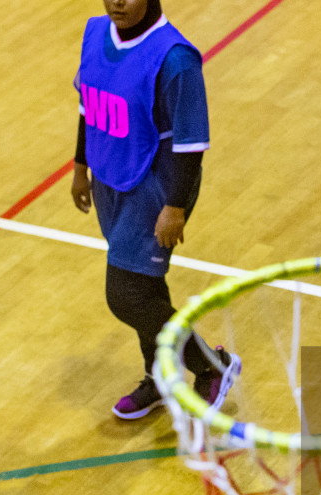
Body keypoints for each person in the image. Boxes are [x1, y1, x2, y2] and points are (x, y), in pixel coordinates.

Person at [71, 0, 239, 420]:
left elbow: (191, 142)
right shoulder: (95, 33)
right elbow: (87, 107)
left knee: (125, 295)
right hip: (110, 179)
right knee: (144, 288)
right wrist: (80, 166)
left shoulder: (175, 58)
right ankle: (160, 375)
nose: (117, 2)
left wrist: (175, 206)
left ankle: (210, 365)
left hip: (156, 189)